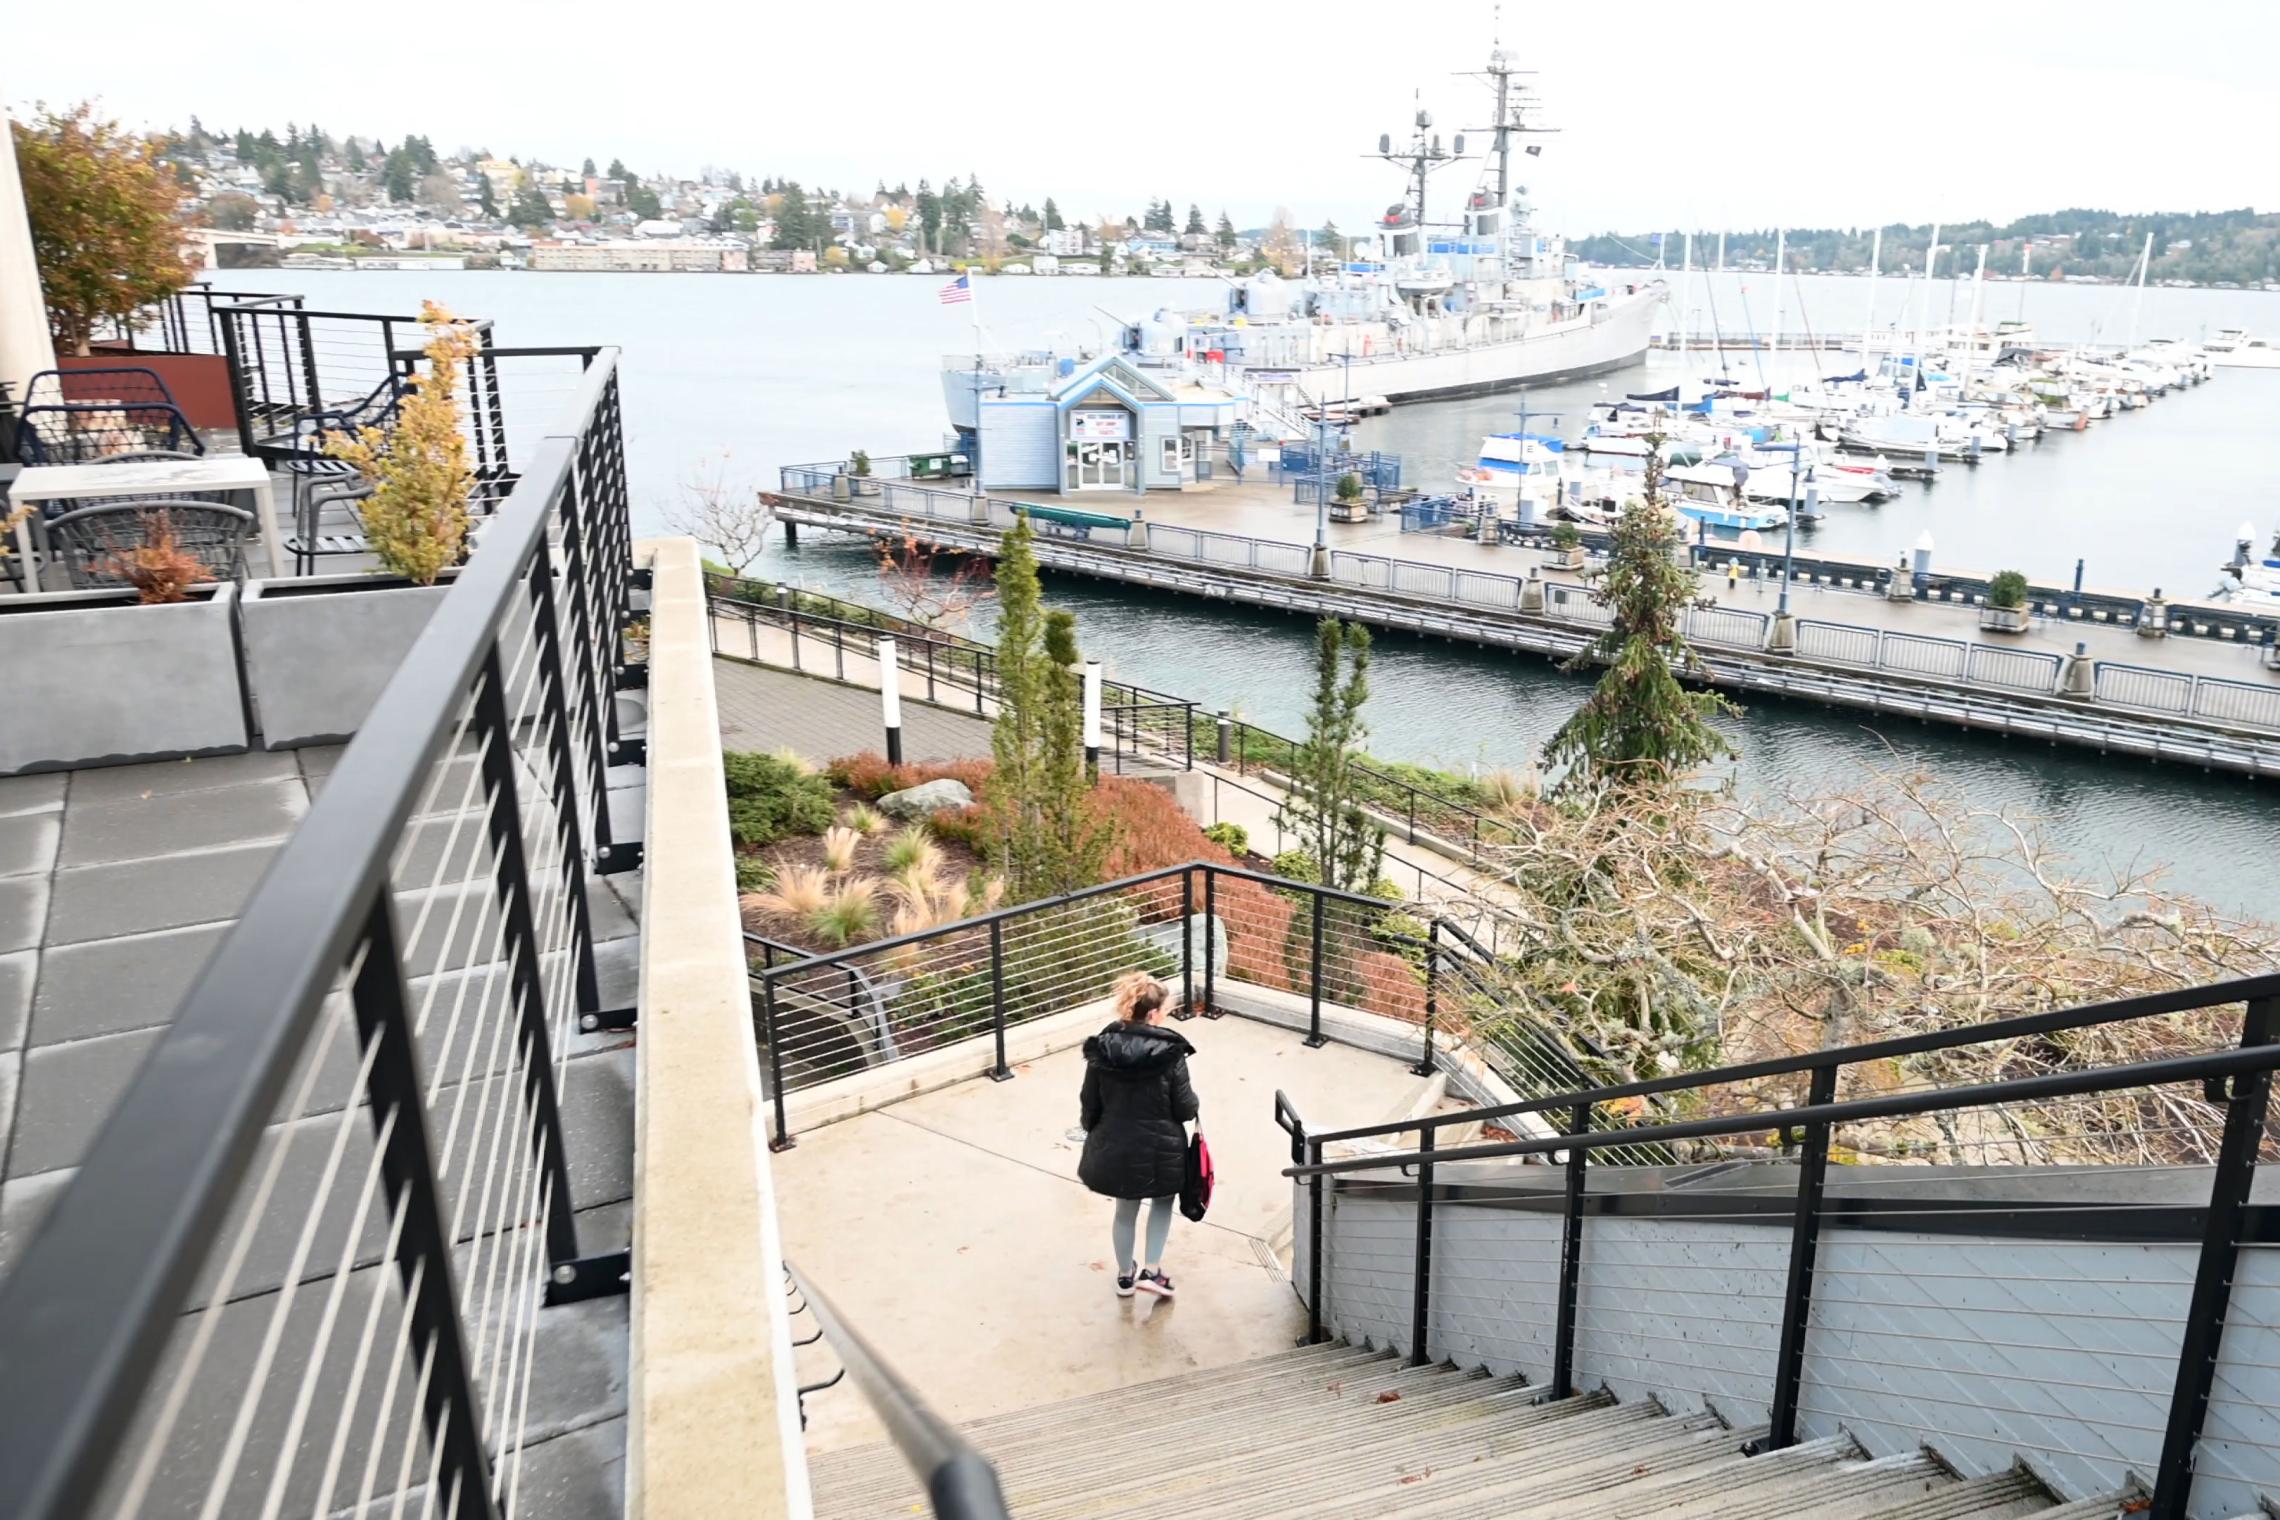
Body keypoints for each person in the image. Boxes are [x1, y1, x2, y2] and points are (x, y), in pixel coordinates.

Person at [1078, 972, 1198, 1300]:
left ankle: (1125, 1277)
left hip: (1116, 1144)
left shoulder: (1101, 1049)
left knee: (1125, 1209)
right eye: (1167, 1009)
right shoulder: (1170, 1053)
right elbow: (1185, 1108)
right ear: (1154, 1014)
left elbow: (1090, 1103)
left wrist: (1096, 1132)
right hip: (1161, 1147)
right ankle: (1152, 1271)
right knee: (1161, 1203)